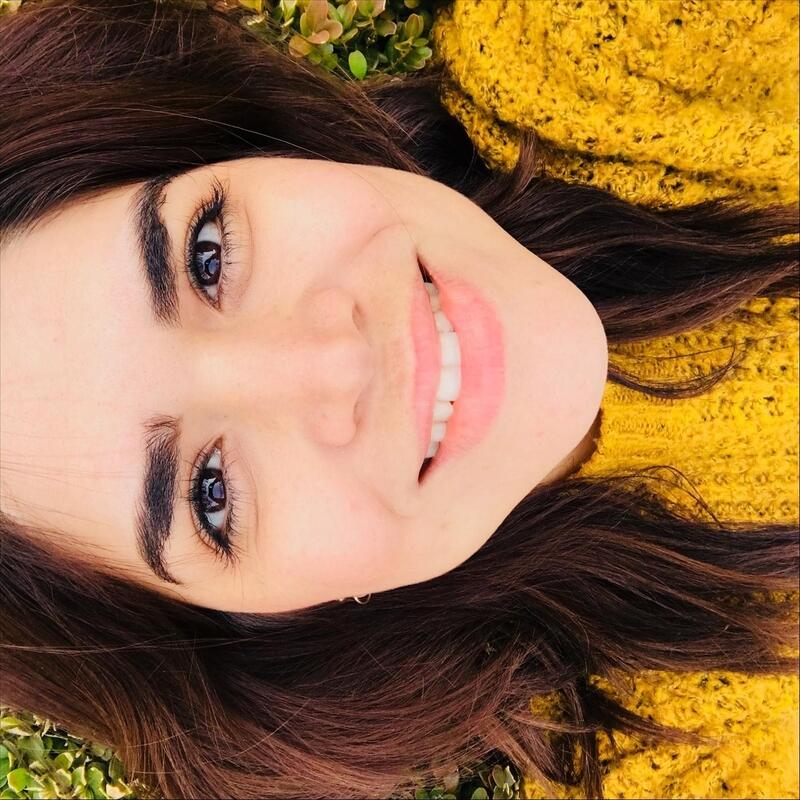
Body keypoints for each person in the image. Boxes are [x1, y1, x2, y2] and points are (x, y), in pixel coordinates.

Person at [0, 2, 796, 799]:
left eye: (206, 257)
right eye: (211, 495)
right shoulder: (686, 772)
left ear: (242, 143)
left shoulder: (615, 45)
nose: (334, 361)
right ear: (268, 627)